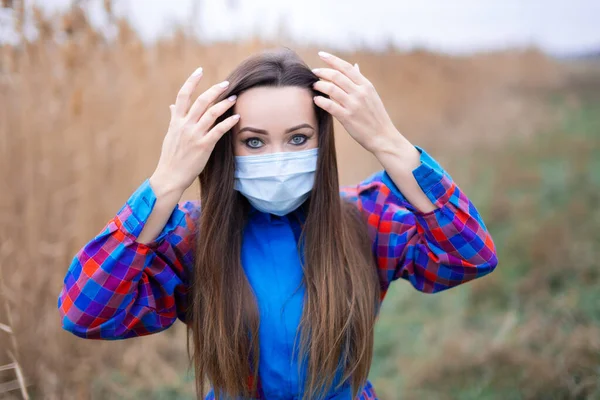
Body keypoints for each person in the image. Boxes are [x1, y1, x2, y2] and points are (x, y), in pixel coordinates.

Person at [57, 48, 498, 400]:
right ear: (225, 148)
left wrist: (388, 141)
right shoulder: (192, 238)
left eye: (298, 138)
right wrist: (167, 180)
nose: (278, 160)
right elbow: (86, 312)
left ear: (322, 139)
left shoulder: (366, 218)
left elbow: (470, 256)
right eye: (253, 142)